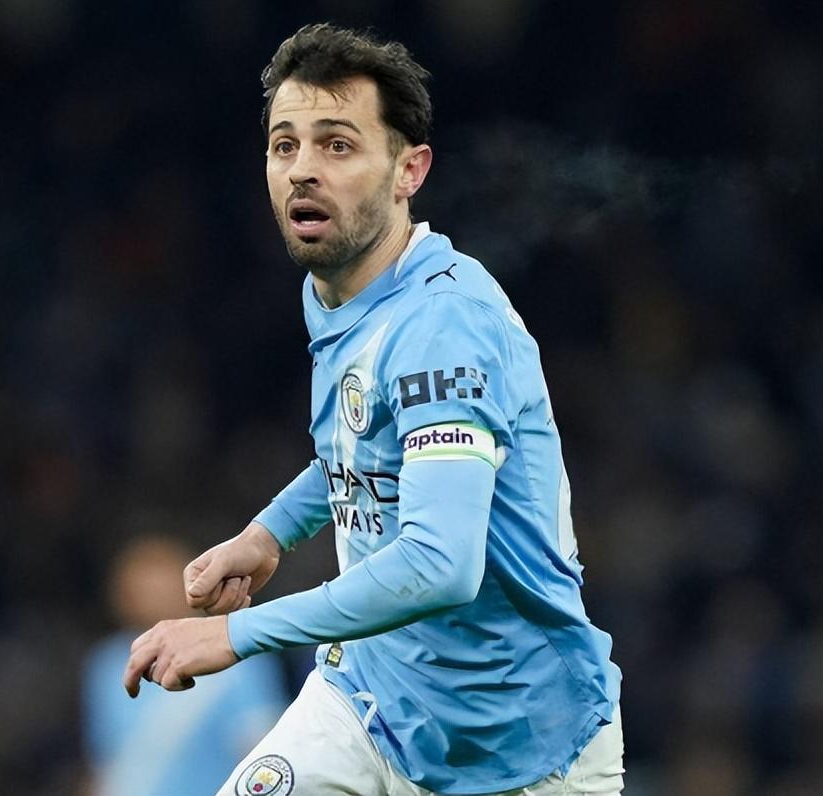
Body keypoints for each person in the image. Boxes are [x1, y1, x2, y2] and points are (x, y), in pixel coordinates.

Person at [121, 23, 624, 795]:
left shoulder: (443, 325)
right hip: (370, 704)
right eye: (285, 146)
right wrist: (270, 532)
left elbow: (440, 563)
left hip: (518, 746)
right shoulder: (337, 292)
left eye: (338, 145)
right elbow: (369, 443)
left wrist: (238, 634)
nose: (302, 170)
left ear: (408, 170)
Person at [84, 535, 287, 796]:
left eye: (162, 588)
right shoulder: (107, 665)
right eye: (143, 590)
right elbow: (107, 759)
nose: (153, 599)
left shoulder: (237, 656)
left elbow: (263, 751)